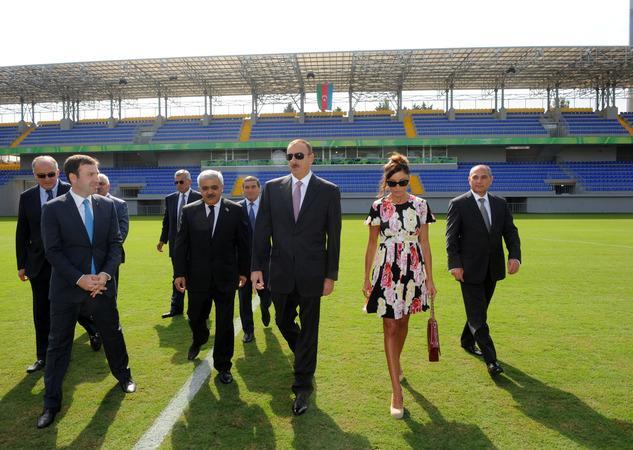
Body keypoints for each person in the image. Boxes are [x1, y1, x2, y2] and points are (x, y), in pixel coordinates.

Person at [37, 154, 135, 429]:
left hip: (101, 286)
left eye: (97, 173)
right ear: (73, 178)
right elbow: (53, 252)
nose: (97, 179)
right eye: (90, 174)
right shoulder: (53, 209)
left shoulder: (108, 205)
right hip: (67, 290)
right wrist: (80, 279)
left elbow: (115, 244)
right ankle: (51, 404)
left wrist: (104, 275)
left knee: (113, 334)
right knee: (58, 345)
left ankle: (124, 376)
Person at [251, 139, 341, 416]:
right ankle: (304, 353)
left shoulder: (328, 191)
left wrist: (331, 275)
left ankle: (302, 386)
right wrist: (256, 267)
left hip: (313, 272)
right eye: (290, 156)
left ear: (311, 157)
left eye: (299, 155)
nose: (293, 160)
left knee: (310, 329)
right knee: (282, 320)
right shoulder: (272, 188)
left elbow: (334, 237)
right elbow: (262, 230)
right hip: (280, 271)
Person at [363, 153, 437, 419]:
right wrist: (366, 278)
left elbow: (425, 243)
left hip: (412, 270)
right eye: (392, 183)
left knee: (403, 322)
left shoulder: (421, 205)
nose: (397, 188)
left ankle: (396, 363)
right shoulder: (378, 207)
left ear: (409, 180)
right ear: (386, 182)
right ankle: (396, 391)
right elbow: (372, 243)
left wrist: (430, 278)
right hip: (386, 270)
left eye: (402, 182)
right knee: (390, 326)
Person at [16, 156, 101, 375]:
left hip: (69, 263)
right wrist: (21, 264)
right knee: (41, 310)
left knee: (77, 305)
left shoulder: (72, 191)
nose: (46, 179)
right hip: (39, 264)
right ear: (34, 175)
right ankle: (42, 356)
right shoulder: (27, 197)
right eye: (41, 175)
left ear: (58, 173)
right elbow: (22, 231)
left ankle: (94, 330)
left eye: (51, 174)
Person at [173, 170, 249, 384]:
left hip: (226, 277)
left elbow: (244, 244)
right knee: (194, 316)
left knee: (225, 324)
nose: (210, 192)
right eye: (205, 188)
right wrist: (179, 273)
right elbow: (181, 245)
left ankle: (224, 366)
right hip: (197, 277)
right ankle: (200, 337)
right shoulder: (189, 211)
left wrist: (243, 271)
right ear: (200, 189)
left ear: (222, 188)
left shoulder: (235, 210)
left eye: (214, 187)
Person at [446, 164, 521, 377]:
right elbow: (451, 238)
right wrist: (454, 264)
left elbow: (510, 232)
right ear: (469, 180)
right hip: (468, 269)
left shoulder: (500, 203)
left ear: (491, 179)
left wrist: (514, 256)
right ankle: (491, 360)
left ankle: (466, 340)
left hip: (493, 268)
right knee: (478, 315)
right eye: (475, 177)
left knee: (479, 311)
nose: (479, 181)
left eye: (483, 177)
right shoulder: (458, 204)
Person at [157, 169, 202, 319]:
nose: (178, 184)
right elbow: (167, 221)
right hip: (176, 246)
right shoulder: (170, 199)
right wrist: (162, 240)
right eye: (176, 182)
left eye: (181, 181)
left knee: (196, 278)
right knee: (177, 276)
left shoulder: (199, 197)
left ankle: (197, 309)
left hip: (196, 247)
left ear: (189, 181)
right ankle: (176, 308)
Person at [237, 176, 272, 343]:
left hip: (265, 261)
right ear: (243, 190)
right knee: (243, 298)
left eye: (253, 186)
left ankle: (265, 308)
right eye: (247, 187)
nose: (250, 190)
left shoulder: (268, 208)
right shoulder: (236, 209)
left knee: (266, 294)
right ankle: (248, 331)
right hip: (243, 263)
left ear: (259, 189)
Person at [96, 173, 129, 285]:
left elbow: (122, 231)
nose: (98, 186)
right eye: (97, 183)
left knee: (110, 289)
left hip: (110, 255)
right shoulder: (86, 202)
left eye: (102, 184)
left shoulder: (119, 204)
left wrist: (109, 248)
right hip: (89, 255)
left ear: (108, 186)